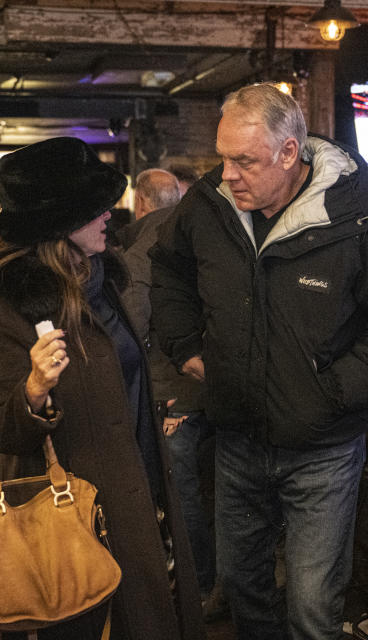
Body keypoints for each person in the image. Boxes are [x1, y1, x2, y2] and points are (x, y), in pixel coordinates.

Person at [149, 83, 368, 639]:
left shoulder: (361, 216)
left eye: (244, 161)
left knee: (312, 607)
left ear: (289, 153)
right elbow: (167, 268)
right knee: (242, 590)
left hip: (323, 448)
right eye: (222, 157)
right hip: (235, 437)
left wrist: (330, 392)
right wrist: (186, 345)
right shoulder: (211, 204)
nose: (227, 174)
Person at [0, 136, 204, 640]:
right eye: (96, 209)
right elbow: (1, 432)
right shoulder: (6, 307)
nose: (108, 218)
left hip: (138, 481)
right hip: (74, 510)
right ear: (60, 224)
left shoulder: (100, 281)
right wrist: (33, 390)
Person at [119, 168, 218, 609]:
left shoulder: (142, 248)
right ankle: (214, 585)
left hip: (169, 389)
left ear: (140, 201)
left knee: (179, 491)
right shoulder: (202, 231)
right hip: (211, 384)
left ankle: (197, 587)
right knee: (212, 488)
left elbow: (132, 325)